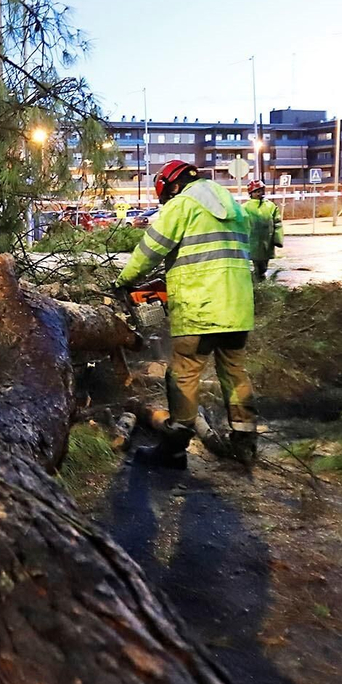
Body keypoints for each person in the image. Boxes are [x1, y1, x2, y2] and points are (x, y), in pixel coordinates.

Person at [117, 160, 258, 467]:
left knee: (183, 373)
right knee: (234, 371)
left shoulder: (182, 205)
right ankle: (245, 442)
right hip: (237, 307)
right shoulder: (233, 205)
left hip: (200, 307)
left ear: (173, 187)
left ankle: (174, 449)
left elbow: (151, 250)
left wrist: (123, 280)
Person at [242, 179, 283, 280]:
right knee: (257, 261)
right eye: (256, 191)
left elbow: (277, 223)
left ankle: (260, 277)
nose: (259, 193)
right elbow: (241, 223)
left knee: (264, 262)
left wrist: (278, 239)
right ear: (251, 193)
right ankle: (258, 278)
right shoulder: (245, 207)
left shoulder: (270, 206)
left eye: (260, 191)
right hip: (252, 240)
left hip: (267, 240)